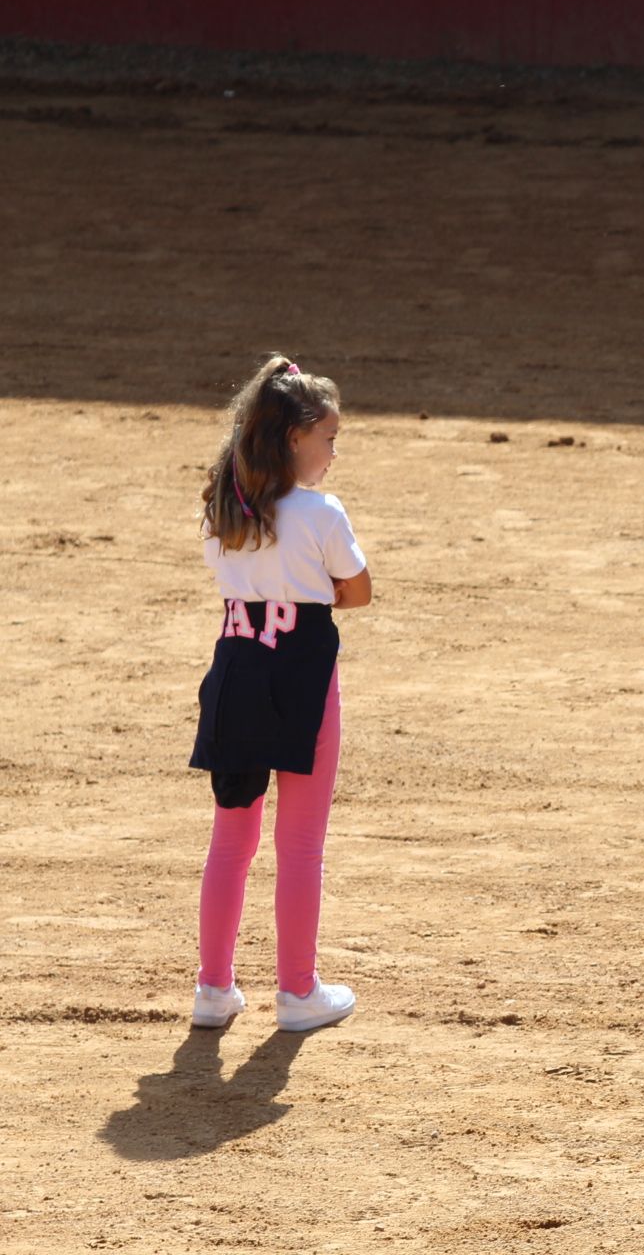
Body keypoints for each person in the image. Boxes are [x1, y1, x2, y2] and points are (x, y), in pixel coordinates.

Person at [187, 355, 372, 1033]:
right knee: (300, 842)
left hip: (237, 667)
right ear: (294, 438)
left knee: (230, 838)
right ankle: (297, 993)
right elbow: (359, 590)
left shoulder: (224, 505)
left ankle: (213, 988)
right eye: (328, 437)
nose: (332, 452)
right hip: (301, 673)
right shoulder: (321, 512)